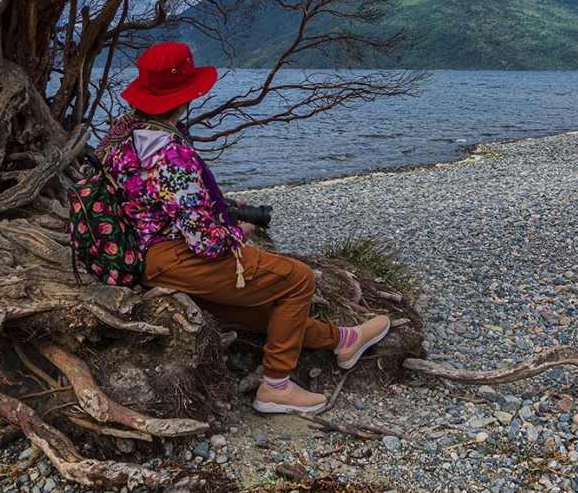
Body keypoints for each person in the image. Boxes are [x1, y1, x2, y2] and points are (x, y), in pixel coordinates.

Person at [98, 41, 390, 414]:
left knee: (264, 312)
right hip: (176, 258)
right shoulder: (168, 151)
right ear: (187, 94)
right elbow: (205, 242)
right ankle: (275, 387)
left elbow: (157, 203)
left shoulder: (122, 137)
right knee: (298, 279)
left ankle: (343, 339)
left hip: (142, 259)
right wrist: (239, 232)